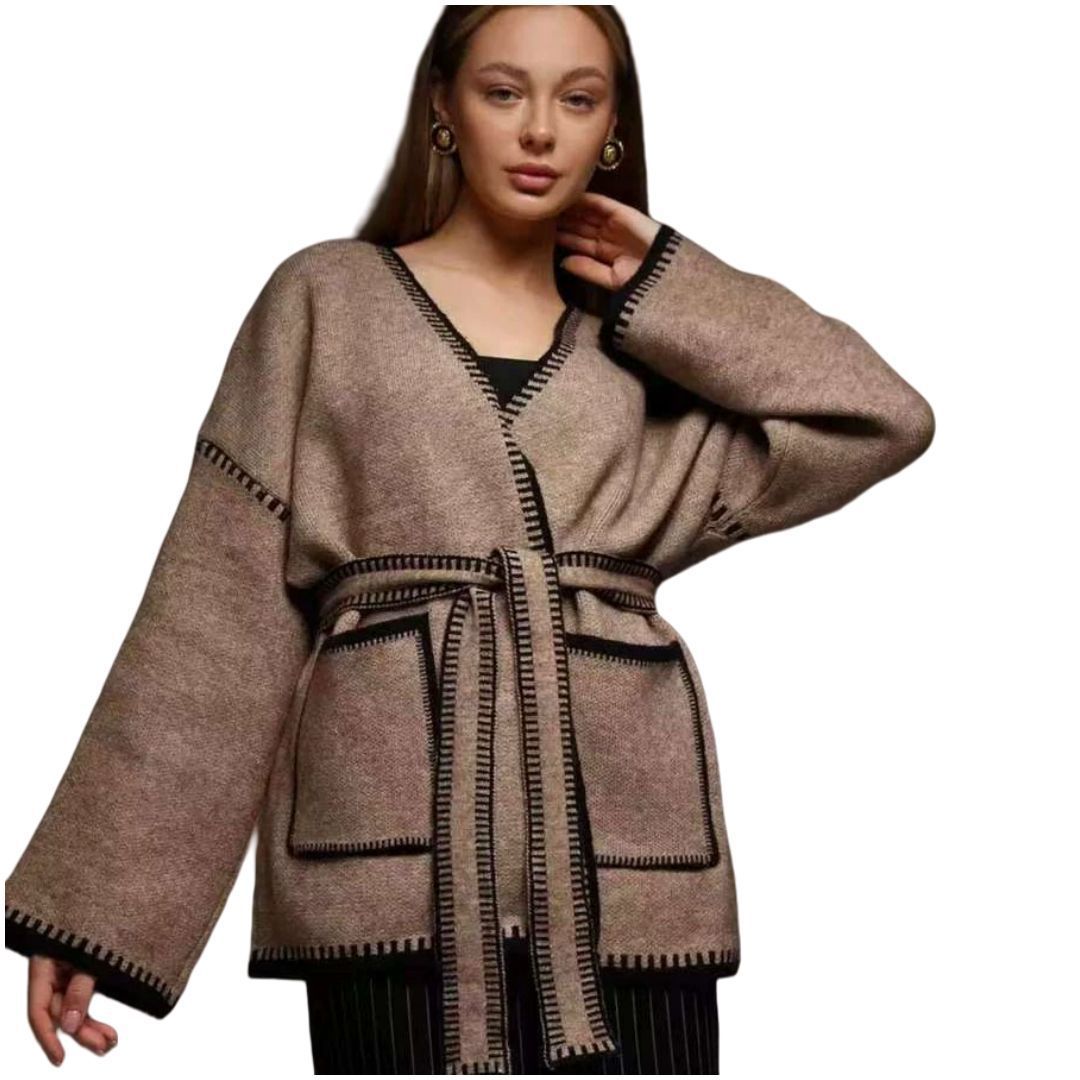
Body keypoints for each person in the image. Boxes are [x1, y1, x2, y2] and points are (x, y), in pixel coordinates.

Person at [5, 5, 935, 1074]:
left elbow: (882, 418)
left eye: (578, 99)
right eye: (504, 91)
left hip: (626, 868)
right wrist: (99, 910)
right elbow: (216, 613)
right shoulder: (326, 298)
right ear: (443, 106)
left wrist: (675, 282)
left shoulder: (653, 349)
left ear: (613, 130)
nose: (539, 128)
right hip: (392, 865)